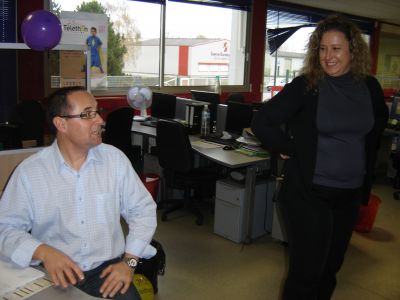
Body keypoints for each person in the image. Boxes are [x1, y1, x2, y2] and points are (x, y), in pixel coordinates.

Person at [251, 15, 388, 300]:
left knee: (329, 271)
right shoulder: (307, 86)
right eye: (323, 49)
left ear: (353, 50)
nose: (328, 56)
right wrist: (290, 146)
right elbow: (263, 121)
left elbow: (375, 130)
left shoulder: (370, 88)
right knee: (306, 274)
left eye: (336, 49)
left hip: (349, 194)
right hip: (308, 194)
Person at [0, 86, 157, 300]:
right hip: (53, 272)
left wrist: (129, 263)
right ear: (61, 123)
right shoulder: (30, 172)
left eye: (97, 112)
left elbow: (143, 211)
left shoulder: (115, 160)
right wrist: (42, 251)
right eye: (88, 114)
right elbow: (5, 228)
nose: (100, 120)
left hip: (107, 270)